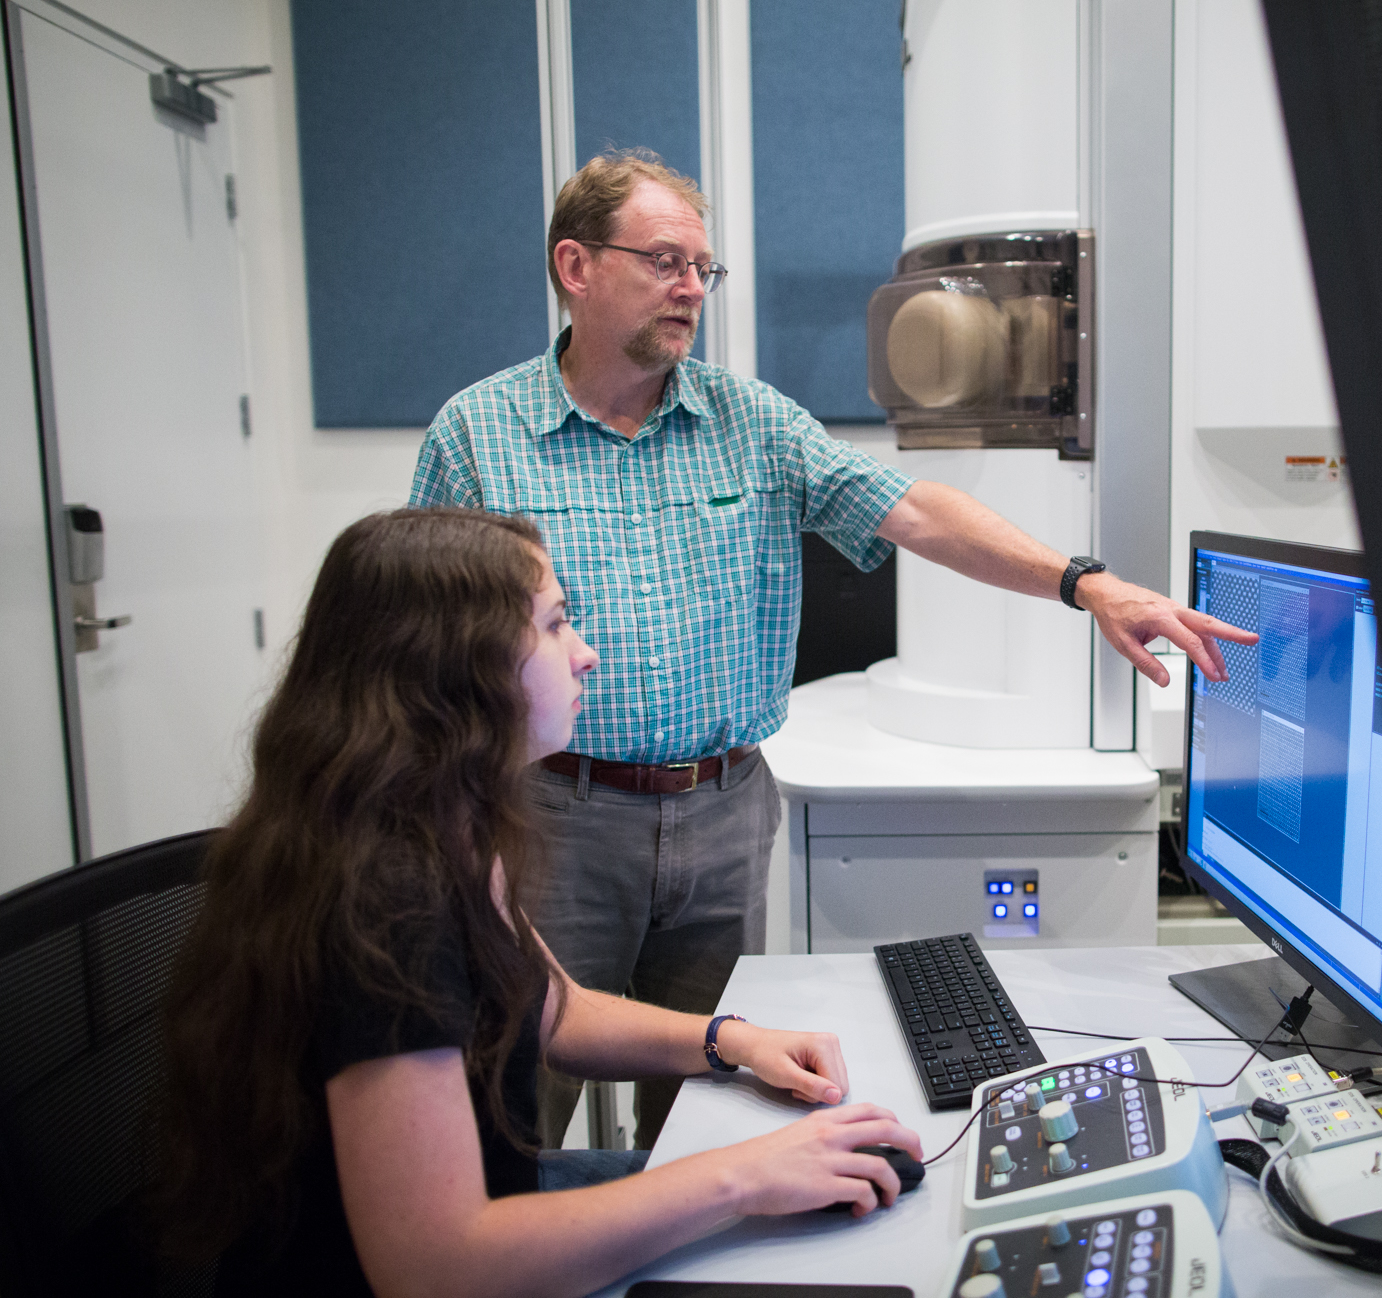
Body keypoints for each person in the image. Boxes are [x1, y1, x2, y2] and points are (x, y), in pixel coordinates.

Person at [409, 148, 1256, 1147]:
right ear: (576, 265)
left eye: (702, 269)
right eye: (664, 261)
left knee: (704, 1110)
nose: (691, 289)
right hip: (552, 815)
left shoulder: (750, 421)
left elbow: (915, 513)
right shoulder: (478, 433)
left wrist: (1084, 582)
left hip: (723, 816)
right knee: (520, 1101)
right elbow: (421, 651)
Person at [157, 508, 921, 1298]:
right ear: (459, 668)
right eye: (555, 625)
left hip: (494, 1212)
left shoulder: (439, 823)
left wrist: (733, 1038)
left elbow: (557, 1011)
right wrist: (741, 1177)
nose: (586, 655)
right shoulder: (386, 903)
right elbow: (434, 1266)